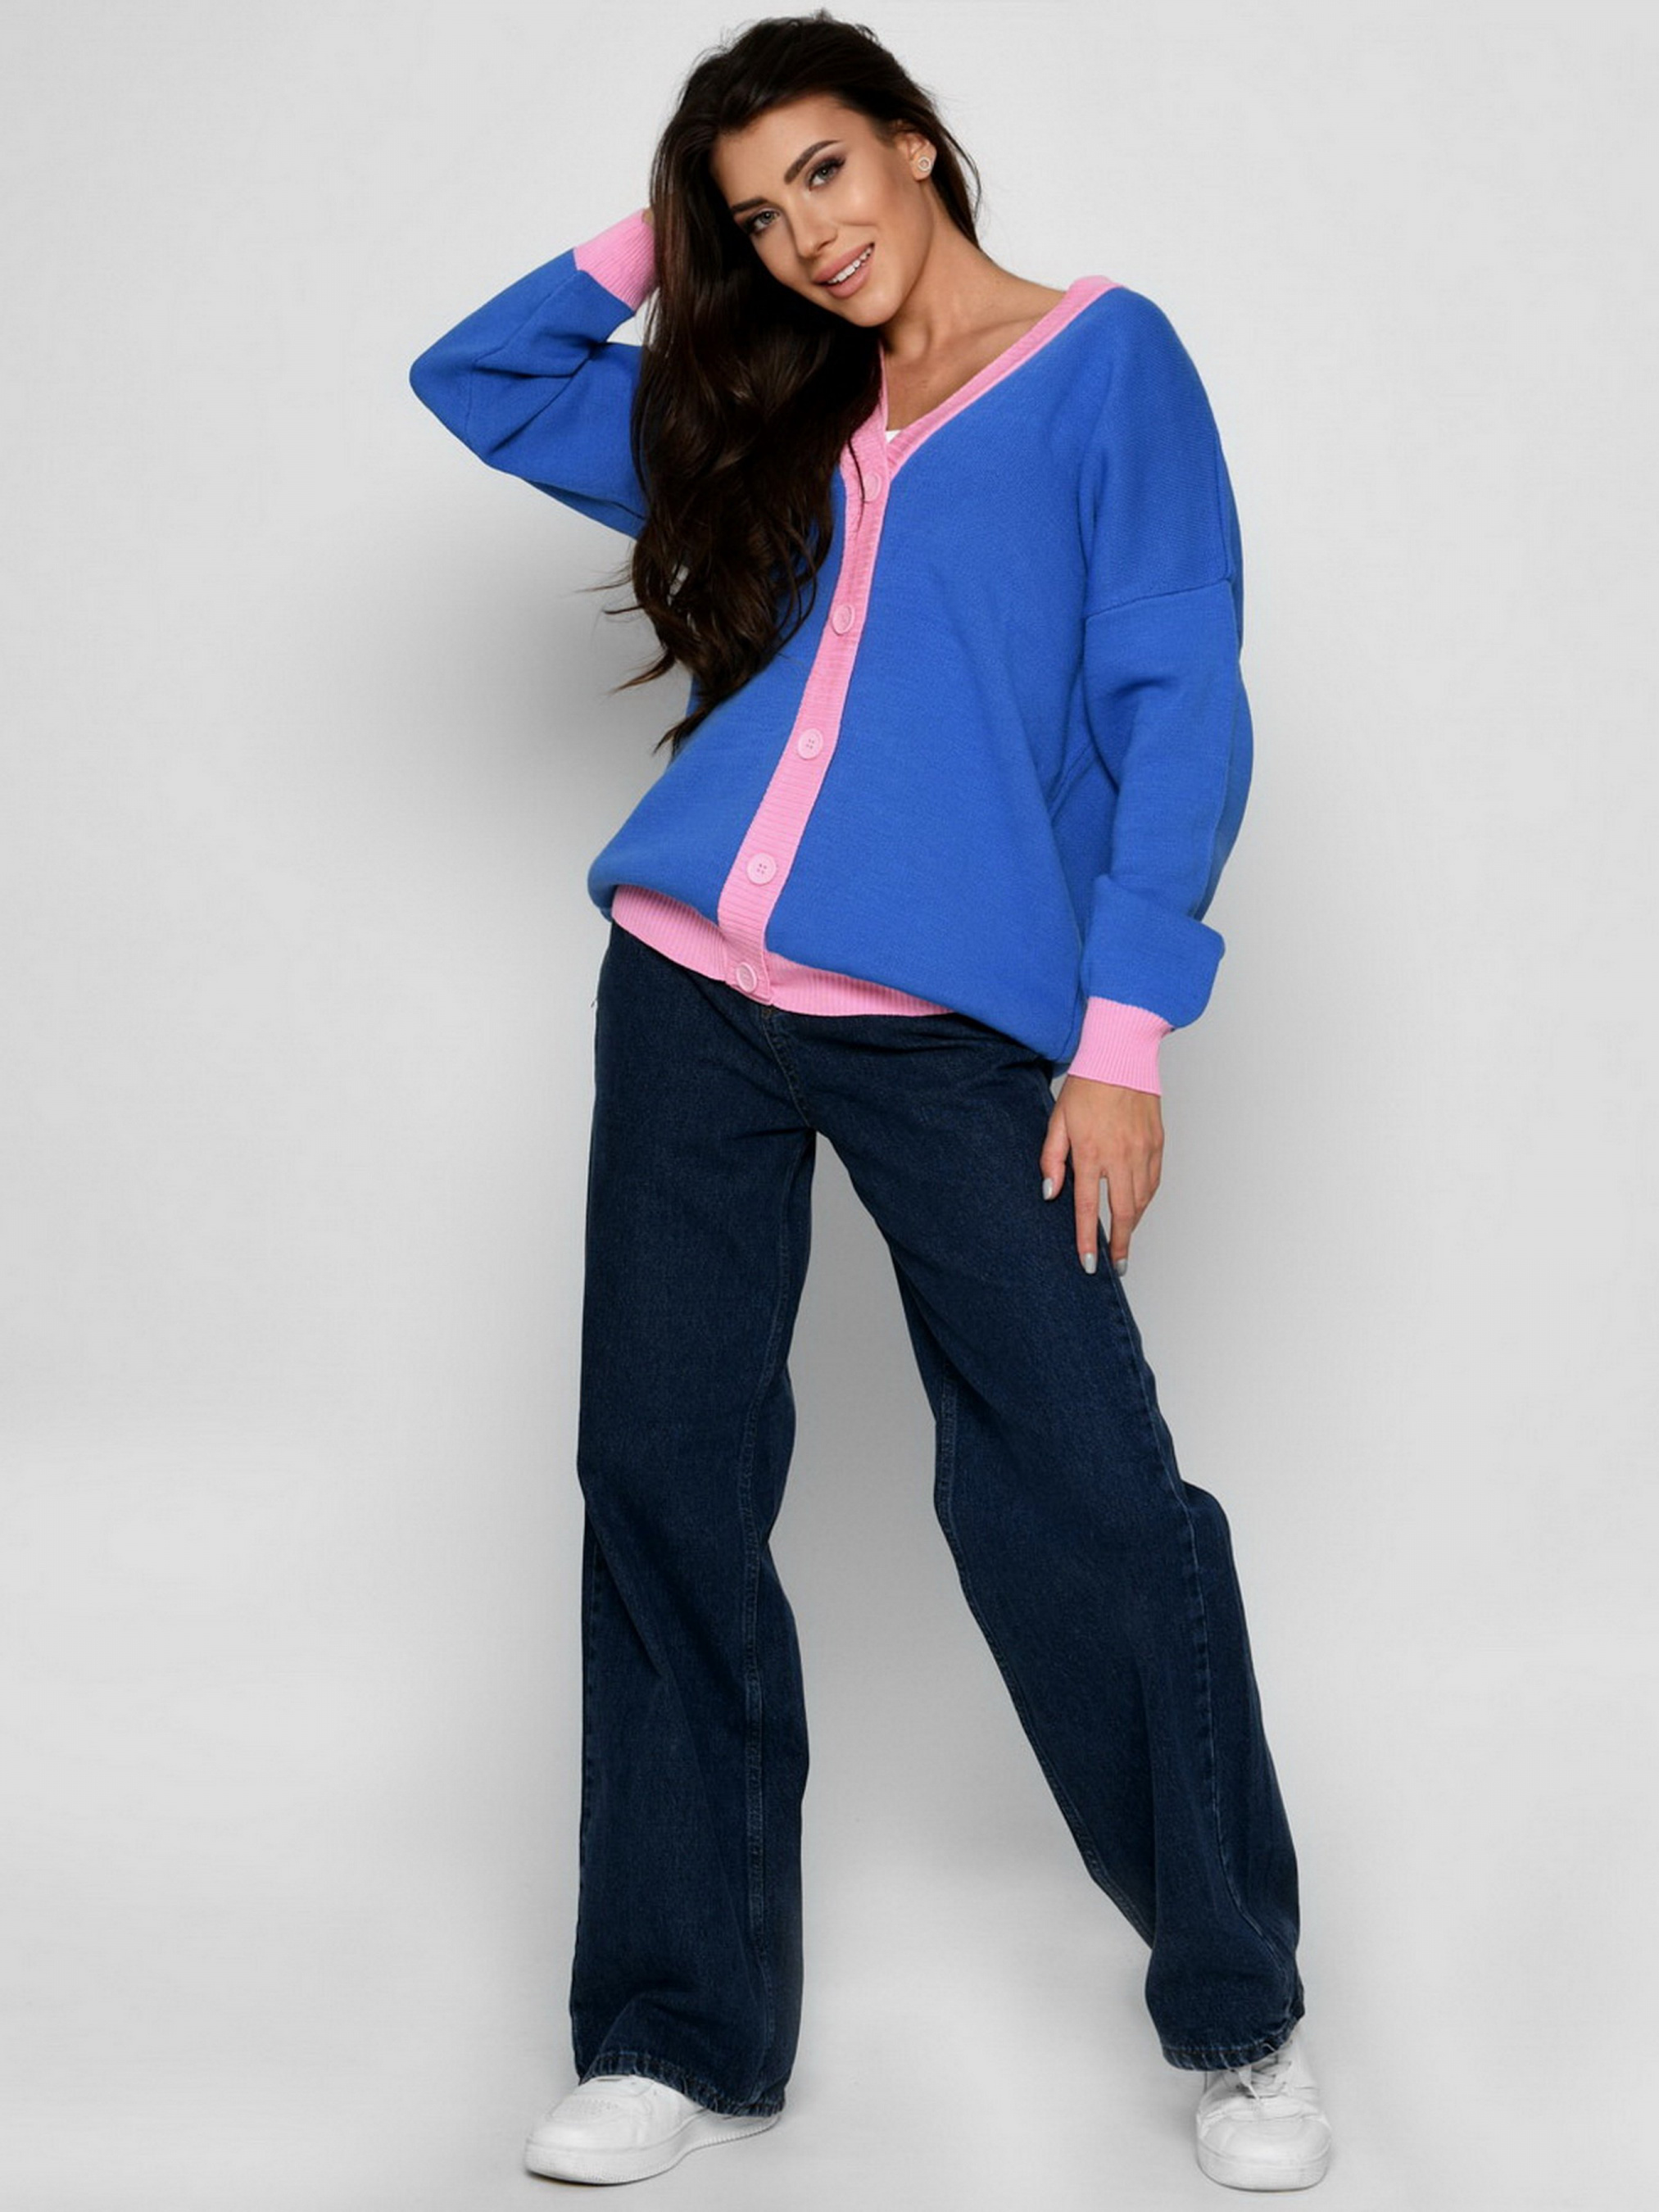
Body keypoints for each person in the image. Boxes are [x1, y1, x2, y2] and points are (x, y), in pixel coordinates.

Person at [408, 10, 1332, 2193]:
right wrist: (673, 241)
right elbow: (482, 380)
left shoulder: (1104, 362)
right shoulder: (778, 400)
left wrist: (1123, 1037)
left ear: (915, 143)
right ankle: (676, 2029)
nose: (803, 235)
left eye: (823, 171)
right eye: (753, 214)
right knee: (660, 1478)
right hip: (687, 990)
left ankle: (1238, 2011)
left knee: (1084, 1499)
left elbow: (1176, 697)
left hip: (962, 1034)